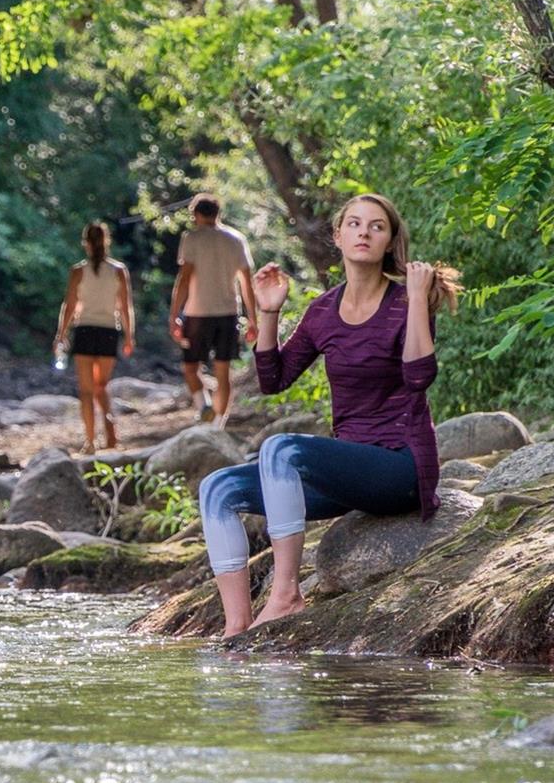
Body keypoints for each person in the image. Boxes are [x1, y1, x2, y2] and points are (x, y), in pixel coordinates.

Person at [197, 193, 462, 640]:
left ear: (390, 242)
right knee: (217, 487)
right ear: (338, 236)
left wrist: (418, 300)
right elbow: (273, 379)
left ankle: (285, 595)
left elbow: (419, 377)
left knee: (281, 448)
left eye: (376, 226)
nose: (364, 232)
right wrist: (268, 311)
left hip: (401, 466)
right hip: (352, 471)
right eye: (354, 224)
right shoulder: (323, 311)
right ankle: (237, 626)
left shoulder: (405, 302)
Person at [169, 195, 257, 427]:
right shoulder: (236, 239)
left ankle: (204, 406)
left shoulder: (192, 239)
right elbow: (247, 282)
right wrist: (253, 319)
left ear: (196, 214)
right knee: (222, 370)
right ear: (218, 214)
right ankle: (218, 423)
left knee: (190, 367)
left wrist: (174, 315)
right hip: (228, 313)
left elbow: (184, 279)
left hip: (197, 312)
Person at [54, 221, 135, 453]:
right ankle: (110, 433)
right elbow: (125, 306)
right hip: (109, 332)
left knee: (87, 391)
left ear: (85, 244)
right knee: (101, 386)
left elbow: (69, 305)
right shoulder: (119, 270)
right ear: (106, 241)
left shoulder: (78, 271)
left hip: (85, 331)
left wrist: (61, 334)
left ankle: (90, 441)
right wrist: (130, 336)